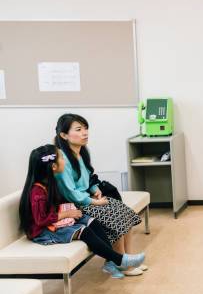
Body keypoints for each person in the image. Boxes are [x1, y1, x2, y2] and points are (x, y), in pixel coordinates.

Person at [18, 144, 145, 279]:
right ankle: (120, 260)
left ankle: (111, 262)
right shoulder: (37, 192)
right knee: (84, 231)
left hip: (55, 221)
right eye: (61, 158)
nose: (64, 160)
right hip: (44, 232)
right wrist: (67, 214)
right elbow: (41, 220)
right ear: (53, 167)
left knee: (92, 222)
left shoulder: (51, 183)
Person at [54, 113, 146, 276]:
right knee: (116, 217)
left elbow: (88, 179)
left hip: (87, 199)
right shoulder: (63, 159)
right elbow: (70, 192)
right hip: (78, 205)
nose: (85, 133)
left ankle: (128, 258)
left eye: (86, 128)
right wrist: (93, 202)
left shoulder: (80, 153)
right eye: (79, 129)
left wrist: (95, 189)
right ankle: (122, 263)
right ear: (64, 135)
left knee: (124, 212)